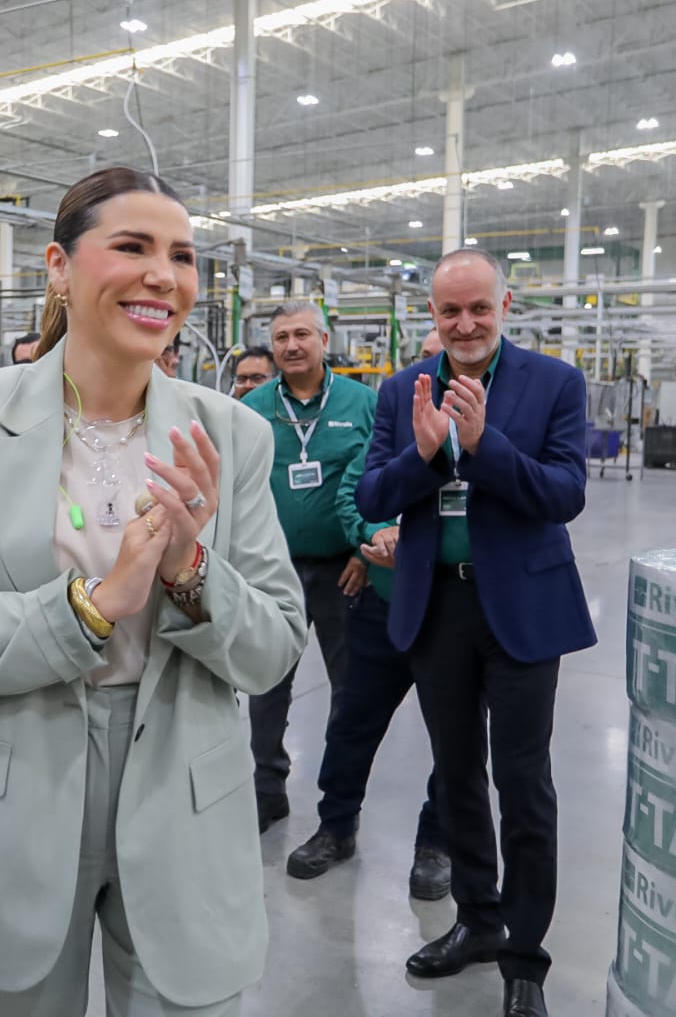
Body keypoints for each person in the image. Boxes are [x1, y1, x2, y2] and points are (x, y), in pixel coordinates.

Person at [0, 167, 306, 1016]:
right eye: (132, 247)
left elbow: (270, 651)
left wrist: (189, 569)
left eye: (181, 256)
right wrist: (91, 604)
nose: (163, 275)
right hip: (16, 786)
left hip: (185, 795)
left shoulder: (232, 435)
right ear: (58, 266)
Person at [358, 248, 595, 1017]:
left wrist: (485, 445)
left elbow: (563, 495)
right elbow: (372, 495)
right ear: (431, 313)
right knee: (455, 775)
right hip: (438, 607)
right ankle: (477, 921)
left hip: (521, 609)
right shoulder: (401, 391)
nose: (464, 324)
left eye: (478, 308)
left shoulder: (554, 383)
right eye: (449, 311)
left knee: (523, 784)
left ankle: (524, 959)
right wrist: (425, 453)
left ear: (504, 306)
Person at [282, 410, 452, 898]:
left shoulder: (477, 438)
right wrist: (373, 532)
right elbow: (354, 492)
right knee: (352, 723)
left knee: (454, 734)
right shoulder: (390, 430)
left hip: (452, 609)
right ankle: (335, 826)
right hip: (383, 603)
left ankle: (437, 842)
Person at [238, 301, 377, 832]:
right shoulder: (252, 408)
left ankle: (340, 806)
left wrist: (365, 548)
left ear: (323, 339)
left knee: (350, 690)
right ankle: (267, 789)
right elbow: (237, 489)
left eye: (301, 334)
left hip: (346, 570)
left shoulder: (362, 403)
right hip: (273, 569)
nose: (291, 346)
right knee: (266, 683)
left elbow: (383, 477)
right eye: (281, 337)